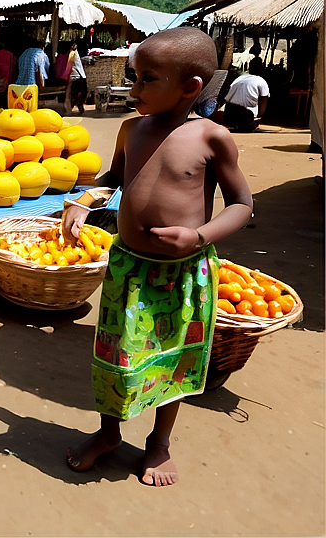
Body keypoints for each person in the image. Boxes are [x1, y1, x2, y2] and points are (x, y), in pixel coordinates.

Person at [61, 26, 253, 487]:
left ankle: (159, 444)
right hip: (128, 268)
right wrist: (84, 201)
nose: (134, 88)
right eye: (134, 76)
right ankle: (109, 433)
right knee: (115, 356)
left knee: (175, 359)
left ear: (190, 87)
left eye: (147, 78)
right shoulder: (131, 129)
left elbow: (243, 205)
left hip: (182, 273)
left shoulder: (213, 138)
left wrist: (200, 236)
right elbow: (116, 176)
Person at [221, 59, 270, 132]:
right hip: (244, 114)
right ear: (261, 68)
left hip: (228, 113)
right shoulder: (261, 81)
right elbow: (264, 99)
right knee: (250, 126)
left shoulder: (239, 78)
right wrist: (259, 117)